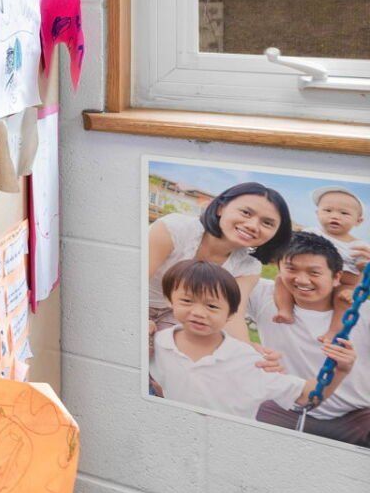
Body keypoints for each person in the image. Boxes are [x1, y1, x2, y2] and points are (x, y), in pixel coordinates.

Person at [149, 260, 350, 419]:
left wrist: (339, 369)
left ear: (231, 313)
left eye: (212, 306)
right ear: (169, 300)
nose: (199, 312)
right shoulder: (157, 342)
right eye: (187, 301)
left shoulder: (248, 359)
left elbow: (306, 395)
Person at [249, 232, 370, 445]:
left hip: (356, 415)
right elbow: (218, 272)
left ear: (336, 278)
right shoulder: (264, 296)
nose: (302, 280)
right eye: (291, 269)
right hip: (284, 408)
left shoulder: (362, 311)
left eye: (314, 272)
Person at [146, 182, 292, 339]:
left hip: (180, 317)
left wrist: (245, 351)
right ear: (220, 208)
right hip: (138, 302)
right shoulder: (175, 229)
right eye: (246, 213)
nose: (253, 226)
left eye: (267, 223)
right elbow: (132, 281)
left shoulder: (249, 267)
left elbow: (233, 316)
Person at [271, 186, 366, 333]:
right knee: (280, 280)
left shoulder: (358, 245)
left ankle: (333, 331)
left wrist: (354, 289)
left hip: (345, 283)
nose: (335, 216)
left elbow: (363, 272)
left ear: (358, 221)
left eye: (344, 213)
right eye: (328, 211)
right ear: (317, 213)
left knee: (343, 300)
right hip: (313, 275)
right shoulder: (310, 232)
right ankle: (285, 310)